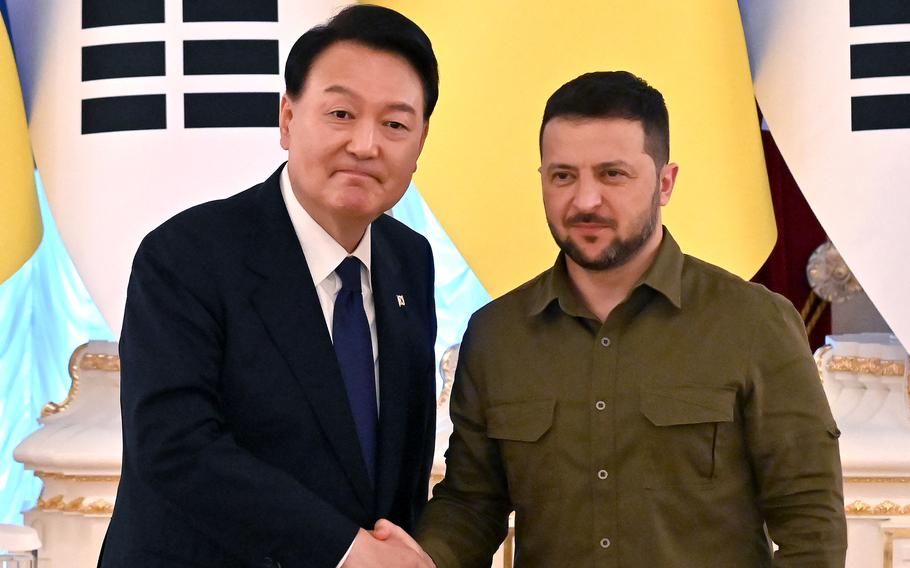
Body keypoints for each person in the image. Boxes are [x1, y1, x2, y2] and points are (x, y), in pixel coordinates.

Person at [408, 71, 847, 566]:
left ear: (665, 183)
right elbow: (471, 504)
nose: (585, 200)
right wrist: (423, 559)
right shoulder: (497, 335)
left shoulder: (755, 323)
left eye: (612, 174)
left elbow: (811, 524)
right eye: (563, 175)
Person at [99, 5, 439, 567]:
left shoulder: (410, 261)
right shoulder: (186, 255)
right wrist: (346, 552)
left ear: (421, 142)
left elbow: (396, 460)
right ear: (287, 119)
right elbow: (177, 448)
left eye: (396, 124)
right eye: (340, 113)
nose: (365, 144)